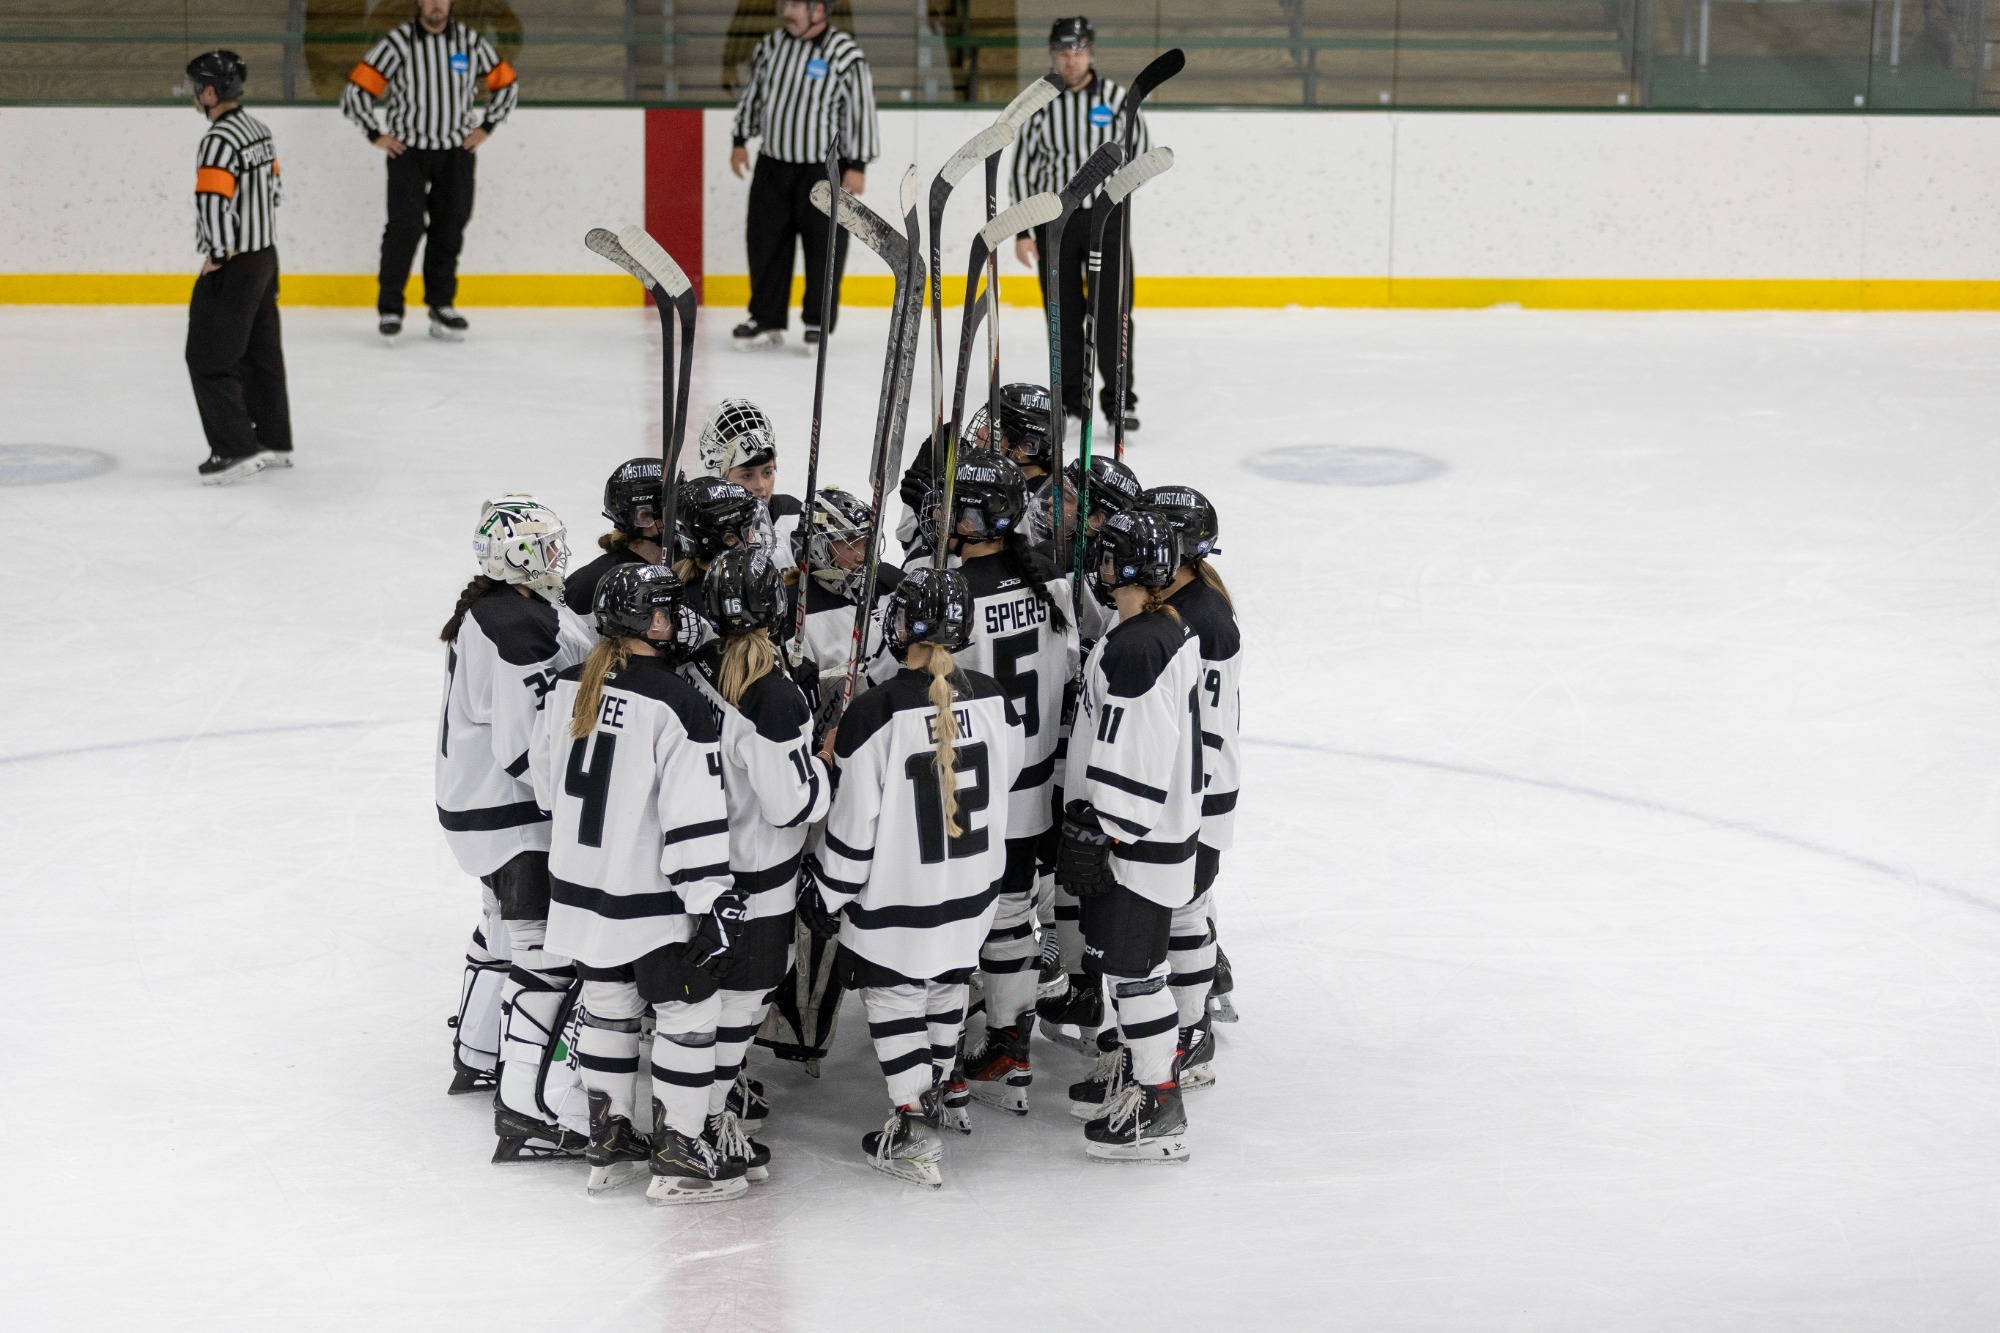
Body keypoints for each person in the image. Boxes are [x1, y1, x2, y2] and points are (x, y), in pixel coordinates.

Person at [801, 567, 1026, 1187]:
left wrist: (827, 890)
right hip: (973, 891)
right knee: (946, 983)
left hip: (898, 896)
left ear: (900, 627)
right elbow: (1004, 781)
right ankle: (941, 1090)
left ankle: (914, 1123)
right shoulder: (995, 698)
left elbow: (855, 826)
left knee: (896, 995)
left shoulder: (875, 711)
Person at [530, 562, 747, 1203]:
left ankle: (611, 1139)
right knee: (689, 1013)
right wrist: (712, 899)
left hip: (580, 892)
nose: (677, 618)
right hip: (649, 899)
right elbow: (692, 816)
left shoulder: (566, 686)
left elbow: (545, 789)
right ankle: (680, 1151)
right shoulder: (676, 702)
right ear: (650, 621)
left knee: (608, 1005)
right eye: (669, 609)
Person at [434, 495, 592, 1161]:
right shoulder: (514, 622)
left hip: (474, 801)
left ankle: (477, 1051)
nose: (558, 554)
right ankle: (528, 1108)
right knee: (542, 953)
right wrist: (578, 806)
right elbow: (523, 746)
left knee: (502, 927)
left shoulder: (498, 607)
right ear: (518, 555)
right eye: (546, 545)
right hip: (509, 812)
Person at [925, 453, 1079, 1117]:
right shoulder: (1048, 577)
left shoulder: (949, 590)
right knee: (1013, 916)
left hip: (969, 792)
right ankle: (1010, 1049)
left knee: (955, 921)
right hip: (1035, 788)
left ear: (969, 518)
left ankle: (941, 1058)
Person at [679, 546, 833, 1175]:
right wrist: (823, 766)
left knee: (701, 1005)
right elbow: (790, 807)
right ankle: (707, 1121)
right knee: (741, 1005)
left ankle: (698, 1112)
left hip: (695, 868)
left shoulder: (691, 666)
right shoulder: (773, 694)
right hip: (758, 880)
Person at [1056, 506, 1202, 1162]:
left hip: (1137, 843)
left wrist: (1104, 828)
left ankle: (1158, 1101)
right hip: (1149, 835)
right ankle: (1144, 1078)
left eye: (1109, 556)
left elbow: (1139, 752)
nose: (1101, 564)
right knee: (1132, 971)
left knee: (1137, 974)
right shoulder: (1153, 628)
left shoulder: (1140, 645)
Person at [341, 0, 519, 342]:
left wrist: (488, 126)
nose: (437, 5)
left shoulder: (469, 42)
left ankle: (441, 305)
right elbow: (357, 90)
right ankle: (390, 308)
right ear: (420, 2)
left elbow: (506, 83)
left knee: (450, 229)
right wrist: (375, 134)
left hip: (456, 153)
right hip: (408, 152)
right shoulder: (397, 43)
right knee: (404, 228)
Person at [1010, 16, 1149, 430]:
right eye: (1062, 51)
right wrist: (1023, 230)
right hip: (1056, 223)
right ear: (1052, 54)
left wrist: (1117, 198)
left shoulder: (1116, 99)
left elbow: (1141, 155)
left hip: (1107, 220)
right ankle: (1069, 400)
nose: (1070, 60)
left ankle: (1119, 400)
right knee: (1062, 314)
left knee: (1112, 312)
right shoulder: (1039, 104)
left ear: (1091, 52)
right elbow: (1023, 169)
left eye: (1078, 50)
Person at [1142, 486, 1240, 1049]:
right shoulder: (1182, 601)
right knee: (1186, 904)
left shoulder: (1206, 618)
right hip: (1186, 787)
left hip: (1198, 792)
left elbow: (1207, 729)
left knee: (1185, 906)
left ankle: (1192, 1034)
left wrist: (1175, 799)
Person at [727, 0, 879, 350]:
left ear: (819, 10)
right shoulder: (771, 46)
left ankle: (817, 322)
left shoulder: (845, 54)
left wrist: (857, 165)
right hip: (772, 165)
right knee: (764, 243)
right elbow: (753, 96)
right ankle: (765, 318)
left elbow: (860, 110)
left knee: (824, 247)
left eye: (795, 4)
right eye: (784, 2)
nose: (787, 11)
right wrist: (739, 140)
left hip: (821, 171)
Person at [182, 49, 292, 485]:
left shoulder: (218, 141)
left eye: (196, 87)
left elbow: (214, 202)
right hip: (265, 258)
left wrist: (217, 252)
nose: (193, 94)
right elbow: (275, 190)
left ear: (211, 92)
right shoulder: (259, 130)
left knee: (208, 356)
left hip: (236, 263)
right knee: (261, 353)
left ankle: (234, 450)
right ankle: (272, 441)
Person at [697, 400, 804, 551]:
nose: (761, 486)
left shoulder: (792, 515)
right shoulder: (698, 529)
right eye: (747, 475)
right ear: (720, 479)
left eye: (767, 473)